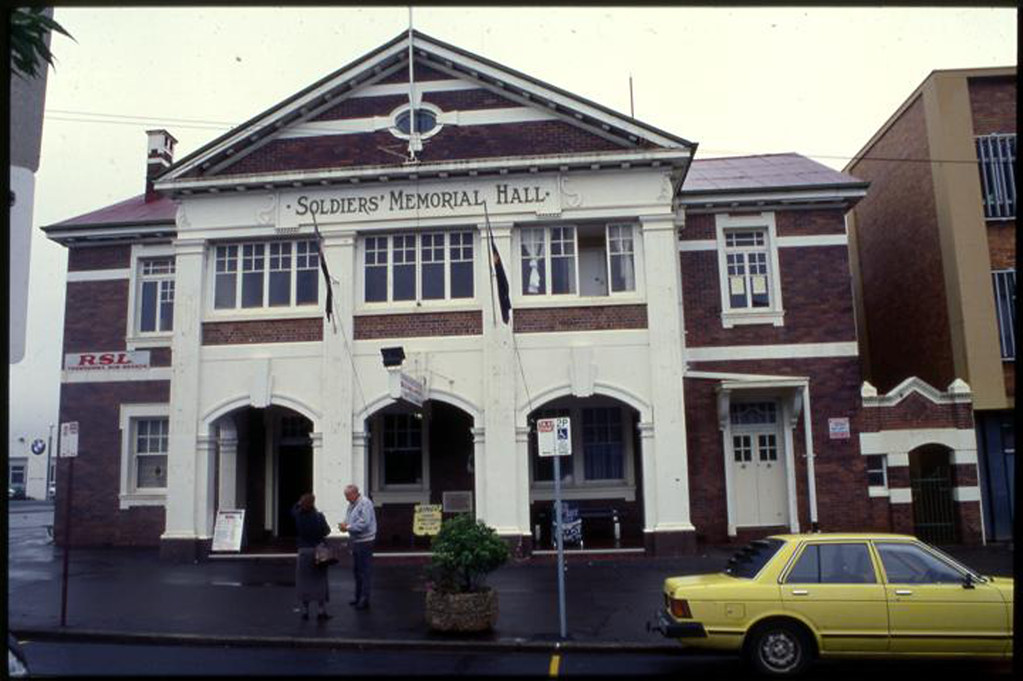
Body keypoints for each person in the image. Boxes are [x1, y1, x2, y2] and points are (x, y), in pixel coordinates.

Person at [291, 492, 332, 621]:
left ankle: (305, 611)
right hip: (318, 551)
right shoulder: (319, 517)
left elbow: (292, 510)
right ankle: (321, 611)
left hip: (303, 551)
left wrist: (299, 502)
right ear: (313, 503)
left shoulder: (298, 516)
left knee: (304, 581)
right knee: (320, 580)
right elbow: (327, 531)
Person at [338, 484, 376, 610]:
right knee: (357, 571)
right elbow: (350, 519)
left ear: (355, 493)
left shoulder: (365, 503)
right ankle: (358, 597)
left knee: (364, 572)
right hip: (356, 541)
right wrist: (345, 524)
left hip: (365, 541)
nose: (346, 499)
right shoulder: (352, 504)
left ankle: (365, 599)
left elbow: (364, 523)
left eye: (347, 496)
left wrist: (347, 527)